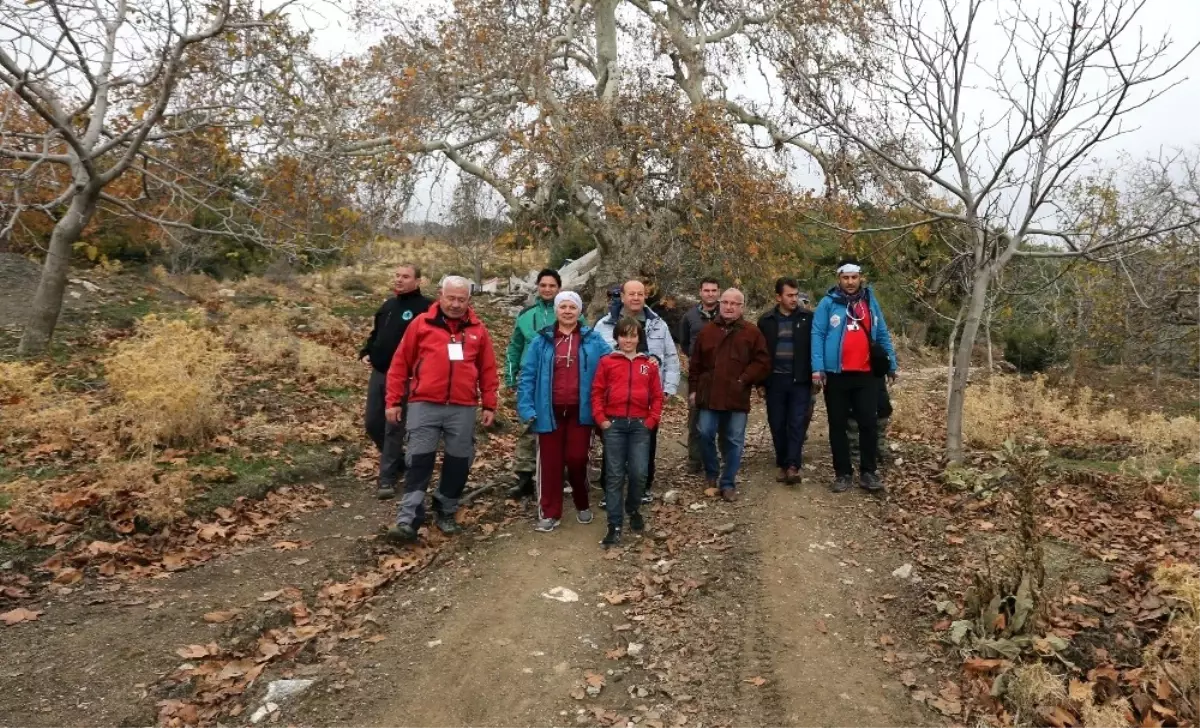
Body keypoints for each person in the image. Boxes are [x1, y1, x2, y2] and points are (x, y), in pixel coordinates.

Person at [383, 276, 499, 544]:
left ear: (469, 300)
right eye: (451, 298)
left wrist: (490, 403)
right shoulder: (420, 325)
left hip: (463, 407)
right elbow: (400, 364)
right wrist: (392, 401)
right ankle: (407, 519)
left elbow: (488, 370)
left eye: (462, 299)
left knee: (459, 461)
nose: (456, 304)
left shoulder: (478, 330)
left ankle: (445, 508)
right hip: (424, 403)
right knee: (419, 460)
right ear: (440, 296)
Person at [516, 291, 611, 532]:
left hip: (582, 412)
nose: (567, 311)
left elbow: (612, 367)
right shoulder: (542, 341)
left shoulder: (592, 339)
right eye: (563, 307)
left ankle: (581, 501)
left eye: (572, 307)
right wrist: (526, 407)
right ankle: (550, 512)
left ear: (579, 311)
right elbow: (527, 375)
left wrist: (639, 359)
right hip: (548, 412)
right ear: (556, 310)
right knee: (550, 464)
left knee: (578, 459)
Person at [810, 259, 898, 493]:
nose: (850, 282)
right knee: (837, 425)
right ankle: (843, 474)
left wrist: (891, 363)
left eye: (854, 277)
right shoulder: (828, 303)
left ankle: (868, 472)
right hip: (836, 375)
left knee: (868, 424)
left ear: (861, 278)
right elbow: (817, 334)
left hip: (867, 374)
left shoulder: (870, 302)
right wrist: (817, 368)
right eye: (845, 277)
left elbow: (881, 333)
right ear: (839, 278)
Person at [594, 280, 680, 502]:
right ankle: (609, 490)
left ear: (645, 297)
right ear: (621, 296)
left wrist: (668, 387)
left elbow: (671, 356)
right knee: (612, 448)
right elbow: (594, 361)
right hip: (614, 399)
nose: (635, 298)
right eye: (631, 293)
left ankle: (643, 488)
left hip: (648, 398)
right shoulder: (604, 324)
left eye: (640, 294)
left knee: (647, 444)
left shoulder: (658, 324)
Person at [689, 288, 770, 501]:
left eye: (734, 303)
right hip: (709, 394)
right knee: (705, 433)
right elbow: (695, 364)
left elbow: (762, 362)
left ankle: (728, 482)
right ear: (720, 304)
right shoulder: (707, 332)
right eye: (725, 302)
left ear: (741, 307)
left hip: (737, 395)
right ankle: (711, 473)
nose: (729, 307)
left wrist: (744, 379)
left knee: (734, 439)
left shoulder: (751, 332)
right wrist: (694, 390)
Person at [359, 264, 433, 500]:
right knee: (372, 423)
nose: (399, 280)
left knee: (394, 427)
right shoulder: (388, 306)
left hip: (406, 377)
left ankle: (387, 478)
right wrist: (366, 352)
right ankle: (399, 461)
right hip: (380, 373)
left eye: (406, 276)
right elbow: (376, 335)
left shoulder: (426, 308)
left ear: (418, 281)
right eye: (397, 276)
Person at [505, 269, 580, 500]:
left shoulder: (570, 311)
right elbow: (514, 346)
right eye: (543, 285)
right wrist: (510, 375)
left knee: (562, 427)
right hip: (532, 377)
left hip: (561, 379)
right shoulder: (526, 315)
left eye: (552, 285)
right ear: (537, 287)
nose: (547, 289)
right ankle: (524, 477)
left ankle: (563, 474)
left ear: (559, 288)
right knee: (529, 426)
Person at [591, 317, 663, 547]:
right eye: (624, 335)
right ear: (617, 338)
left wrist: (651, 420)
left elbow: (657, 396)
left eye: (633, 335)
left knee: (640, 472)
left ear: (639, 338)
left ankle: (633, 508)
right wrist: (601, 419)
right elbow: (597, 392)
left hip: (640, 426)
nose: (628, 340)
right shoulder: (607, 362)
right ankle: (615, 524)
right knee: (613, 475)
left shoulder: (648, 364)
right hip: (615, 425)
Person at [757, 277, 815, 485]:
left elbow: (814, 348)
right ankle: (782, 462)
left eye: (795, 295)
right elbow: (760, 354)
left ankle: (792, 466)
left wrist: (815, 374)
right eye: (789, 295)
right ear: (778, 297)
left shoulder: (808, 318)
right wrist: (760, 382)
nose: (794, 299)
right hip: (775, 381)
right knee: (777, 423)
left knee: (797, 422)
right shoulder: (766, 321)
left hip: (800, 380)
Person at [678, 278, 721, 474]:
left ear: (718, 292)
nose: (710, 294)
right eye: (707, 290)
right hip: (698, 373)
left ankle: (720, 456)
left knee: (723, 416)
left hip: (723, 372)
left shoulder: (727, 312)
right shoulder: (690, 316)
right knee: (695, 416)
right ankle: (694, 460)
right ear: (700, 292)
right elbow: (685, 343)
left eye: (714, 290)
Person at [848, 377, 893, 467]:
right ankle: (855, 450)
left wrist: (891, 369)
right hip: (852, 374)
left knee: (882, 407)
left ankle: (879, 447)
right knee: (853, 410)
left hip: (875, 374)